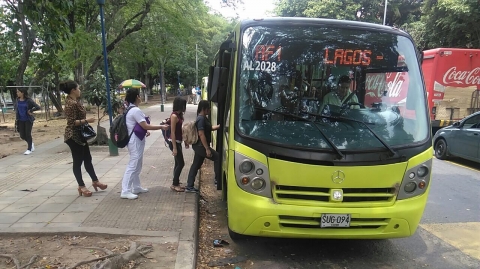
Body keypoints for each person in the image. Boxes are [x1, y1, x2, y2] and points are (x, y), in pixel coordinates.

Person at [121, 88, 170, 200]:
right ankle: (125, 190)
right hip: (134, 141)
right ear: (137, 97)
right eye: (139, 95)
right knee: (133, 165)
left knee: (137, 164)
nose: (141, 97)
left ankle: (136, 187)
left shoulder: (131, 109)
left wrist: (145, 131)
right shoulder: (135, 111)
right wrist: (161, 126)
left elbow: (137, 126)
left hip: (136, 139)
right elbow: (145, 125)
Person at [61, 80, 107, 197]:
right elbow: (71, 122)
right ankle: (81, 186)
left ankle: (95, 181)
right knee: (78, 161)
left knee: (88, 158)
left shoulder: (74, 101)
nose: (79, 90)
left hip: (80, 136)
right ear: (73, 90)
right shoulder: (71, 103)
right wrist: (87, 121)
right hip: (73, 136)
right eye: (78, 88)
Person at [185, 100, 221, 193]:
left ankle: (189, 186)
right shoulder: (201, 119)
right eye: (208, 108)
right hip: (200, 146)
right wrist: (207, 149)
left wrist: (220, 126)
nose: (209, 109)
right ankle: (217, 180)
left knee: (196, 165)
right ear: (204, 109)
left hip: (199, 146)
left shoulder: (203, 118)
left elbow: (210, 128)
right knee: (217, 157)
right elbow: (201, 134)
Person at [168, 97, 188, 192]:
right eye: (184, 105)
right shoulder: (174, 116)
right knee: (181, 163)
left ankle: (176, 181)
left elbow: (180, 130)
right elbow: (172, 132)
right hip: (174, 142)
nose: (185, 107)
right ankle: (174, 184)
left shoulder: (179, 116)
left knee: (178, 163)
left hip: (178, 141)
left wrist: (185, 141)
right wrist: (175, 148)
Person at [14, 88, 41, 155]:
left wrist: (31, 111)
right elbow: (17, 110)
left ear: (22, 92)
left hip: (28, 120)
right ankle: (31, 143)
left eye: (18, 92)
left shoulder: (28, 100)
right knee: (22, 135)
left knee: (28, 134)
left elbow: (38, 107)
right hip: (20, 120)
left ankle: (29, 149)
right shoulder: (17, 100)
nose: (17, 93)